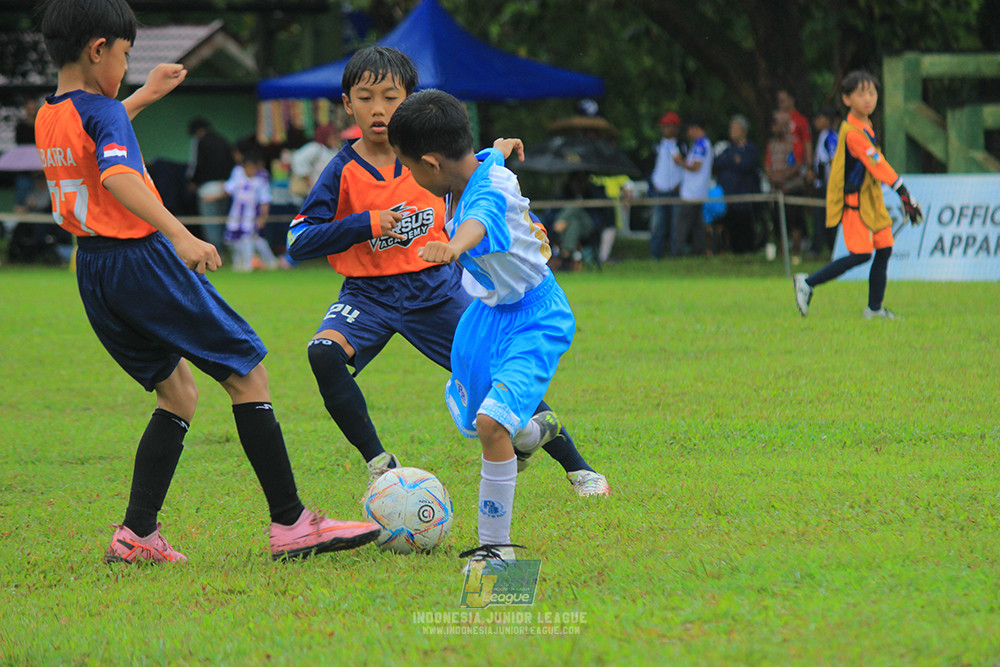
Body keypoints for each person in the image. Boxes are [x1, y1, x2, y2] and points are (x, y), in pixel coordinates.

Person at [35, 0, 379, 564]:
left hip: (94, 271)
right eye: (123, 56)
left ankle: (137, 534)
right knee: (247, 369)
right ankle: (292, 523)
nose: (124, 68)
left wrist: (142, 96)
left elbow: (97, 134)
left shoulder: (52, 112)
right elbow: (119, 173)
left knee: (178, 392)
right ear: (99, 49)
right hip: (138, 259)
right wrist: (180, 235)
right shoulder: (105, 112)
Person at [285, 46, 608, 498]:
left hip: (435, 291)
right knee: (322, 352)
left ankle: (578, 467)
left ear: (412, 101)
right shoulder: (341, 171)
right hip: (366, 296)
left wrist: (495, 166)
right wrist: (364, 223)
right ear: (347, 103)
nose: (378, 109)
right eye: (364, 97)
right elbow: (297, 241)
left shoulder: (432, 159)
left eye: (390, 97)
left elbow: (481, 184)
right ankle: (380, 465)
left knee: (502, 376)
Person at [387, 89, 577, 568]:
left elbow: (478, 220)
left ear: (431, 163)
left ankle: (497, 551)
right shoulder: (479, 162)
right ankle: (534, 434)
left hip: (536, 317)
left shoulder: (485, 194)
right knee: (484, 422)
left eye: (409, 168)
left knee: (492, 425)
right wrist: (504, 144)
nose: (411, 176)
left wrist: (453, 248)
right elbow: (492, 154)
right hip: (487, 316)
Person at [793, 70, 923, 319]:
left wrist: (902, 194)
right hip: (855, 204)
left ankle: (874, 309)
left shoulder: (866, 125)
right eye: (861, 94)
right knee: (862, 254)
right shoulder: (853, 133)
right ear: (846, 99)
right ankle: (807, 283)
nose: (868, 99)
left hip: (871, 201)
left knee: (884, 248)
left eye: (872, 93)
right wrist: (904, 193)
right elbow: (877, 164)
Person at [224, 148, 279, 272]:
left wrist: (263, 217)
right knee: (232, 240)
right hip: (235, 215)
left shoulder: (261, 180)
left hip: (250, 216)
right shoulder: (238, 173)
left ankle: (250, 264)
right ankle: (238, 262)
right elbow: (228, 189)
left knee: (249, 239)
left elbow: (265, 200)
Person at [713, 114, 761, 254]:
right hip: (729, 196)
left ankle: (747, 250)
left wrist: (733, 162)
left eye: (735, 128)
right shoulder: (728, 150)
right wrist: (734, 161)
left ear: (743, 130)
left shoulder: (751, 149)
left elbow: (747, 165)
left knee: (745, 225)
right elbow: (719, 163)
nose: (731, 131)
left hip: (745, 196)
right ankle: (733, 249)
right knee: (731, 225)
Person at [765, 110, 808, 262]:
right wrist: (773, 179)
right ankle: (781, 252)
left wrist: (783, 178)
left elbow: (798, 164)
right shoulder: (771, 144)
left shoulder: (795, 142)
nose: (774, 128)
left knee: (794, 220)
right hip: (776, 189)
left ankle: (795, 251)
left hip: (792, 188)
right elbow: (768, 165)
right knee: (777, 220)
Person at [187, 116, 234, 249]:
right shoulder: (222, 140)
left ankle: (216, 252)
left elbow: (195, 164)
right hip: (224, 186)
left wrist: (192, 181)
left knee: (210, 222)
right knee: (223, 221)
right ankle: (226, 251)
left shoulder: (199, 141)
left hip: (207, 188)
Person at [671, 116, 712, 257]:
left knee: (682, 224)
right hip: (696, 191)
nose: (688, 134)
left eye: (689, 130)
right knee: (697, 224)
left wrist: (679, 162)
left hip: (692, 193)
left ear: (695, 128)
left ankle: (677, 252)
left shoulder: (701, 144)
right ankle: (699, 250)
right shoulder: (700, 144)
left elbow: (696, 166)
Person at [648, 111, 683, 259]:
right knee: (657, 226)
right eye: (664, 126)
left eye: (670, 126)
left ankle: (675, 255)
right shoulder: (656, 146)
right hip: (659, 191)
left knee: (676, 226)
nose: (667, 129)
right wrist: (653, 183)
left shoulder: (682, 145)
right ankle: (655, 255)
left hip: (676, 190)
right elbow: (650, 166)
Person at [810, 106, 841, 256]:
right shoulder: (823, 135)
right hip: (822, 183)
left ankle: (827, 247)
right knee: (821, 215)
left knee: (824, 216)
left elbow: (833, 159)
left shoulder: (831, 136)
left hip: (829, 185)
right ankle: (823, 246)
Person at [289, 123, 340, 200]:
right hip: (314, 193)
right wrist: (309, 180)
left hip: (329, 193)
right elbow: (298, 160)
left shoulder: (334, 150)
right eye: (331, 136)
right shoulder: (315, 148)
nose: (334, 138)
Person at [777, 88, 813, 181]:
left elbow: (807, 142)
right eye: (779, 101)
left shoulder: (801, 120)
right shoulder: (778, 121)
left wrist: (809, 167)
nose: (780, 104)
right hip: (781, 165)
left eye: (783, 101)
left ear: (791, 100)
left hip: (798, 166)